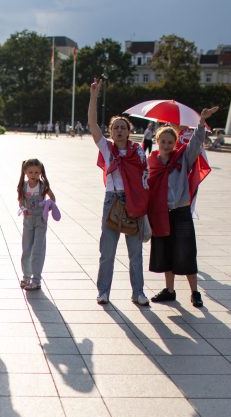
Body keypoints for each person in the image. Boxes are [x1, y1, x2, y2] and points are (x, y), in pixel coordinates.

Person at [147, 106, 219, 309]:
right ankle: (169, 290)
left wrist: (201, 123)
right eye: (163, 141)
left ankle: (195, 292)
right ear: (157, 142)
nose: (167, 145)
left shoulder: (182, 158)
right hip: (161, 213)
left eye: (170, 142)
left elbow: (195, 144)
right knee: (165, 252)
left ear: (175, 142)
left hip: (180, 212)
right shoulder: (152, 162)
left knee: (186, 252)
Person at [88, 78, 150, 307]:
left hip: (133, 202)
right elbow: (93, 126)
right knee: (107, 252)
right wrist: (94, 96)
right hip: (112, 200)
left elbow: (145, 181)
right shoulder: (107, 148)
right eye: (116, 127)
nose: (120, 130)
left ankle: (138, 292)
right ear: (111, 132)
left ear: (129, 131)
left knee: (135, 253)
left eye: (123, 127)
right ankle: (103, 291)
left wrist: (145, 209)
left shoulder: (139, 152)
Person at [17, 158, 57, 291]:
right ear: (25, 172)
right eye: (30, 172)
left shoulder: (43, 186)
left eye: (36, 172)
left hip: (40, 221)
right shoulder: (23, 186)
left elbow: (52, 199)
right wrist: (23, 209)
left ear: (40, 172)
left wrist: (48, 206)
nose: (33, 175)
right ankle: (26, 276)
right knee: (26, 249)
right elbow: (21, 201)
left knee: (38, 250)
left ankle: (36, 280)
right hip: (28, 221)